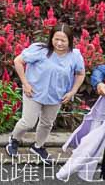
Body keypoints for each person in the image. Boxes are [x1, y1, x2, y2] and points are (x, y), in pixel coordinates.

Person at [5, 23, 85, 163]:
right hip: (34, 93)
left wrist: (73, 91)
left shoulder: (75, 56)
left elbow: (80, 73)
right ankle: (14, 140)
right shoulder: (40, 50)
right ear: (51, 38)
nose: (59, 43)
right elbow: (18, 61)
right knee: (28, 123)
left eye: (63, 40)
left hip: (56, 96)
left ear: (70, 41)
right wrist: (25, 84)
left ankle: (38, 146)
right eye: (56, 39)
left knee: (47, 123)